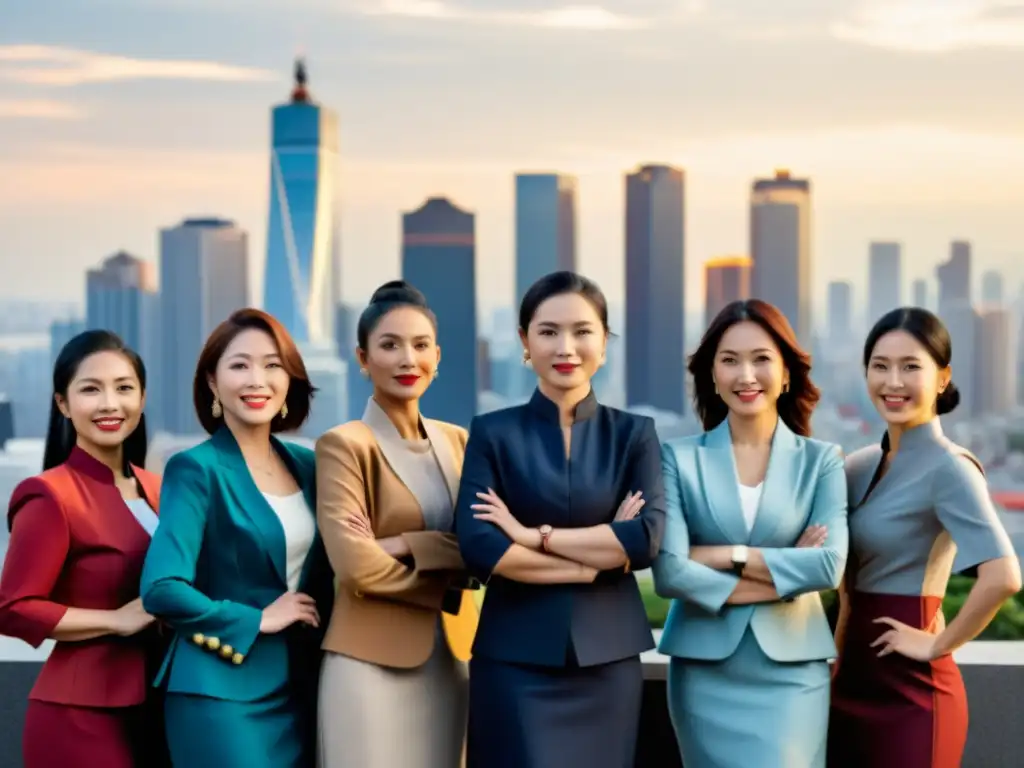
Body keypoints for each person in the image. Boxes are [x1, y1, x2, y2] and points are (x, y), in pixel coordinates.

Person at [455, 271, 665, 768]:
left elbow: (644, 539)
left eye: (582, 331)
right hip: (513, 660)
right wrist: (593, 560)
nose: (565, 346)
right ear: (525, 342)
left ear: (605, 343)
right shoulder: (492, 433)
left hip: (608, 661)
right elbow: (483, 547)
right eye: (548, 332)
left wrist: (534, 537)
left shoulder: (635, 434)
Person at [652, 299, 848, 768]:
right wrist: (782, 572)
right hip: (704, 673)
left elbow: (828, 566)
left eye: (761, 359)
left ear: (785, 374)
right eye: (729, 360)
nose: (746, 375)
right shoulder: (677, 458)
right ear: (713, 376)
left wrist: (726, 553)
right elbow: (670, 573)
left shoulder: (821, 461)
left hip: (792, 675)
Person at [140, 308, 334, 768]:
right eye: (239, 365)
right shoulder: (195, 469)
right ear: (212, 381)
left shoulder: (308, 466)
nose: (257, 379)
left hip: (298, 688)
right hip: (219, 692)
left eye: (272, 365)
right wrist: (257, 619)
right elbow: (160, 588)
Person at [828, 307, 1021, 768]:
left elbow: (1004, 576)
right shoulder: (854, 467)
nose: (893, 381)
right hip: (847, 680)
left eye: (911, 366)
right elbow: (843, 583)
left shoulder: (951, 467)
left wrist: (938, 644)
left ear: (941, 377)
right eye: (881, 366)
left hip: (913, 694)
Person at [315, 280, 479, 768]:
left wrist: (405, 543)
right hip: (368, 664)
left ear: (438, 355)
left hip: (451, 660)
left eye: (420, 345)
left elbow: (482, 548)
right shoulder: (344, 446)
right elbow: (356, 565)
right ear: (362, 358)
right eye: (390, 345)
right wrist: (444, 580)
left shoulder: (458, 442)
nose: (408, 359)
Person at [0, 330, 169, 768]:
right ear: (62, 403)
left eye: (124, 388)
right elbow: (13, 607)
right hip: (80, 714)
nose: (110, 404)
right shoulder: (50, 494)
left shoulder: (159, 488)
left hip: (160, 706)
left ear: (143, 399)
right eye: (91, 389)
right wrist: (116, 621)